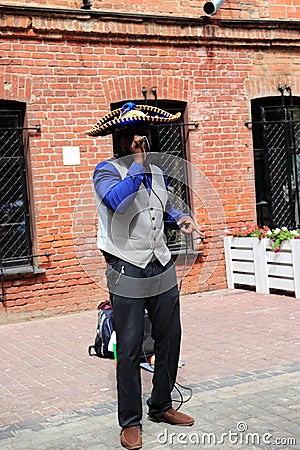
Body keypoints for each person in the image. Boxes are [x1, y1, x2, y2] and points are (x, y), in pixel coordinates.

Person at [88, 102, 200, 450]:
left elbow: (162, 205)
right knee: (131, 346)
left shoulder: (156, 172)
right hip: (126, 267)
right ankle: (130, 421)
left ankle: (161, 404)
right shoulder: (104, 172)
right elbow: (119, 203)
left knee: (170, 337)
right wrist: (137, 166)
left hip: (160, 263)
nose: (141, 139)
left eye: (145, 133)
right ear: (119, 138)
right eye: (133, 134)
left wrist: (180, 216)